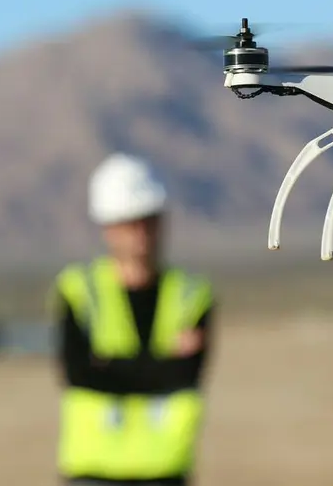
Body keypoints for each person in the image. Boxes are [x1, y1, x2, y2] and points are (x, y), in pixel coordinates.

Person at [49, 152, 215, 486]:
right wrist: (162, 365)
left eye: (148, 220)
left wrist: (108, 365)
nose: (141, 233)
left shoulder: (192, 294)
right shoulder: (78, 290)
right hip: (93, 470)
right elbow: (77, 372)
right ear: (108, 228)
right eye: (129, 222)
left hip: (166, 468)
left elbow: (187, 374)